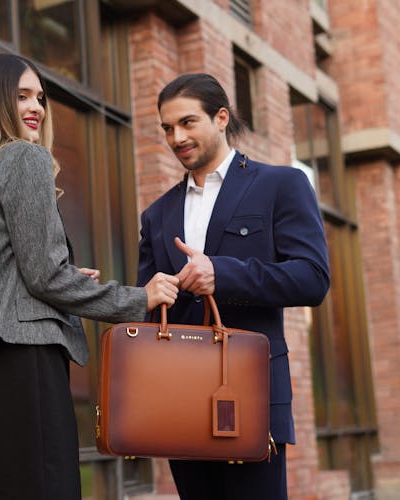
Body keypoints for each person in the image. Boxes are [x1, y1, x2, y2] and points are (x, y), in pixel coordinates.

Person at [0, 53, 179, 500]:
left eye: (40, 98)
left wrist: (40, 287)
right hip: (28, 365)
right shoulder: (25, 159)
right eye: (22, 96)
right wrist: (139, 299)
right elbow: (45, 276)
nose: (37, 108)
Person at [136, 73, 330, 499]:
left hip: (251, 394)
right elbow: (146, 313)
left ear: (221, 117)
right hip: (180, 399)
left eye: (188, 122)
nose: (176, 137)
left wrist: (222, 273)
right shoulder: (156, 214)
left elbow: (313, 278)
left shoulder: (281, 184)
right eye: (167, 128)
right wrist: (153, 292)